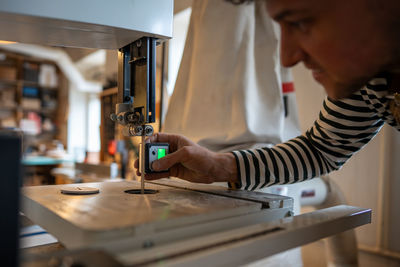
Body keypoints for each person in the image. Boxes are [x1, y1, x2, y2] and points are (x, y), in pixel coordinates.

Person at [135, 0, 400, 190]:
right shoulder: (369, 81)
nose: (287, 58)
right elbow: (321, 150)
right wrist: (219, 167)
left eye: (300, 22)